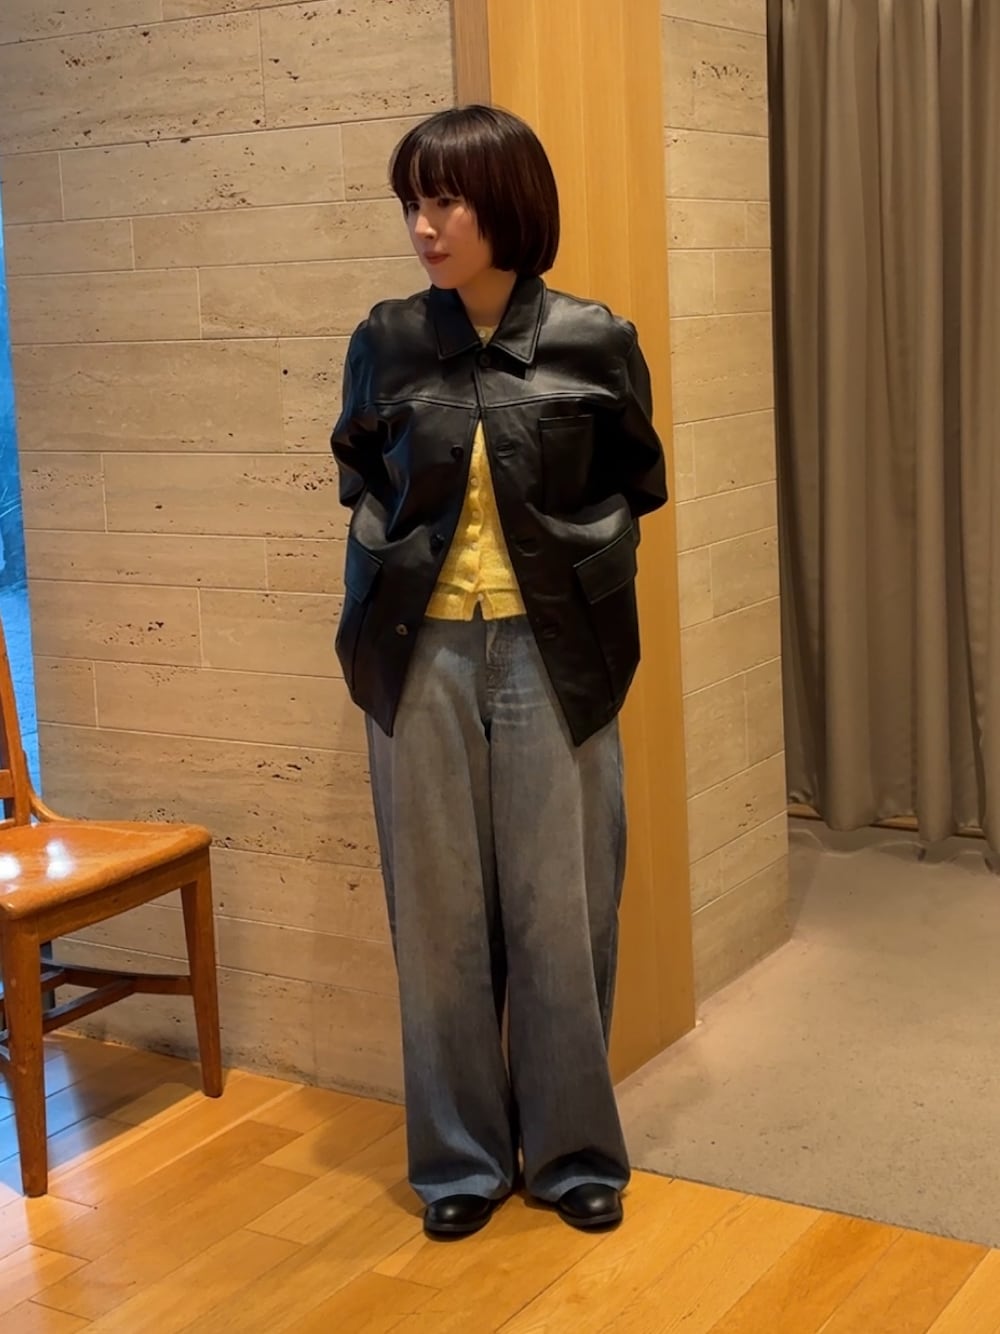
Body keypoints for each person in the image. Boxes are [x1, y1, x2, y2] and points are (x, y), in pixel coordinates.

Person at [330, 105, 667, 1239]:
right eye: (411, 204)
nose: (423, 227)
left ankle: (573, 1153)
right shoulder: (385, 339)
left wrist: (580, 565)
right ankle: (460, 1163)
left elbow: (635, 478)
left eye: (445, 201)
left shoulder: (594, 338)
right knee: (436, 920)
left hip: (552, 651)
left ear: (506, 203)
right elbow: (359, 470)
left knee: (562, 909)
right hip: (416, 652)